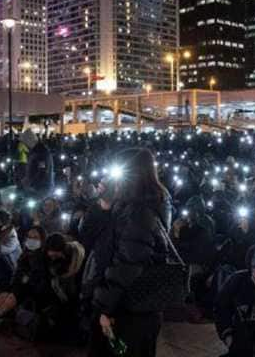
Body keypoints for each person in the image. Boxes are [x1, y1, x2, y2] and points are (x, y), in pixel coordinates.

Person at [89, 148, 172, 357]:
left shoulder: (139, 213)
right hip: (136, 306)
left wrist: (104, 308)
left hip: (129, 308)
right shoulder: (140, 205)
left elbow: (126, 265)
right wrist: (104, 207)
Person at [20, 130, 55, 196]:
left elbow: (42, 171)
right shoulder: (36, 151)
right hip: (37, 188)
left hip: (40, 189)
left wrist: (31, 183)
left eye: (25, 143)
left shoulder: (41, 153)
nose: (25, 145)